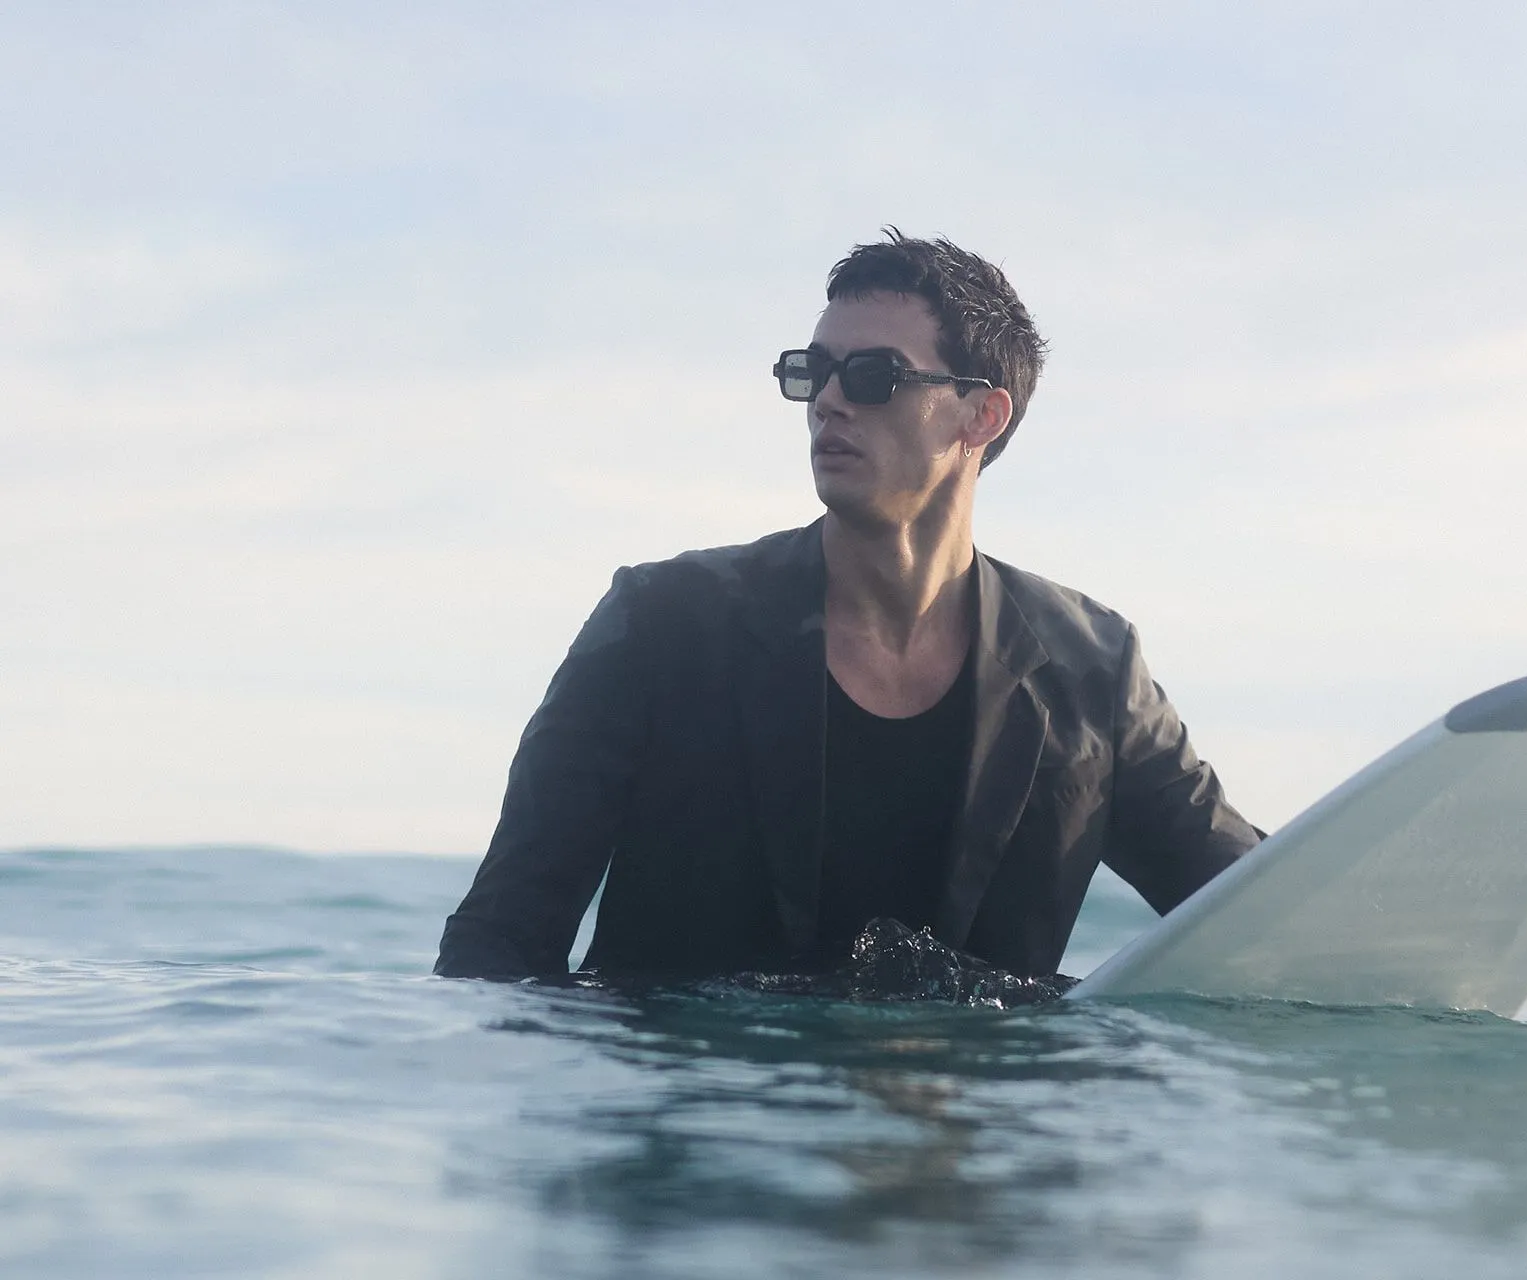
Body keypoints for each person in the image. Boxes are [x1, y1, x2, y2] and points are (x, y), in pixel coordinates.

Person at [435, 230, 1260, 982]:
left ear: (981, 415)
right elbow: (501, 941)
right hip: (696, 1121)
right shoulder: (662, 624)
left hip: (967, 1136)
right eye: (813, 373)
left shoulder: (1093, 670)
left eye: (873, 378)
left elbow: (1257, 911)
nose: (829, 402)